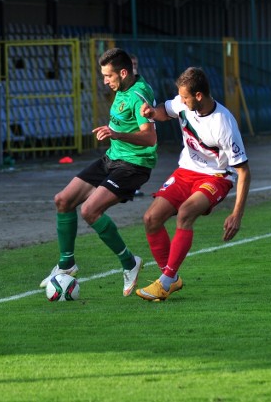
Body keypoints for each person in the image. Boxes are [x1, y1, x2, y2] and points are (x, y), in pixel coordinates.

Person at [38, 47, 157, 296]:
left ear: (123, 73)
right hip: (112, 158)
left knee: (90, 210)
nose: (105, 81)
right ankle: (66, 264)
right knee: (63, 200)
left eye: (108, 76)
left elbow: (149, 137)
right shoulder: (124, 87)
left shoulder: (139, 95)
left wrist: (116, 133)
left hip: (134, 165)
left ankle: (129, 263)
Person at [135, 67, 251, 302]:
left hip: (216, 177)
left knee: (185, 213)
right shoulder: (182, 103)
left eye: (185, 97)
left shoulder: (224, 124)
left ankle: (165, 283)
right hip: (186, 171)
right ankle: (170, 277)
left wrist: (236, 214)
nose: (181, 100)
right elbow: (164, 112)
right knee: (151, 219)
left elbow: (244, 171)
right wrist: (150, 112)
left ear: (199, 96)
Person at [130, 54, 145, 197]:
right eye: (131, 63)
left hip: (139, 123)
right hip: (130, 124)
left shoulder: (139, 80)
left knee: (138, 155)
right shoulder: (127, 82)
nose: (134, 65)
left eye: (135, 63)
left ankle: (134, 187)